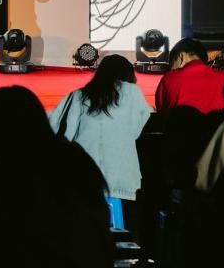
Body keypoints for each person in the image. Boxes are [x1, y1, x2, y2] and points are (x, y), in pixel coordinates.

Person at [49, 54, 152, 205]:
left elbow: (61, 133)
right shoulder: (133, 93)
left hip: (84, 179)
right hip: (123, 181)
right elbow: (136, 130)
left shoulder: (78, 95)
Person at [153, 37, 224, 114]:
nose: (171, 69)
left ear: (181, 57)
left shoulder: (169, 78)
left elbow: (161, 111)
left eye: (172, 64)